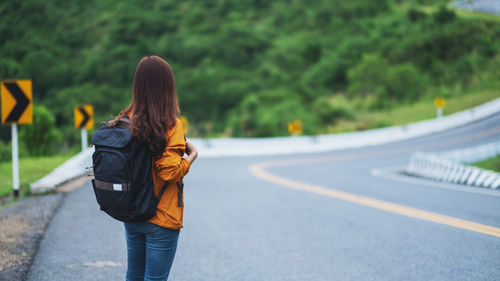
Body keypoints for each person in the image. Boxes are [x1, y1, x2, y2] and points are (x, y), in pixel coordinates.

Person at [112, 55, 198, 281]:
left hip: (132, 213)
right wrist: (191, 156)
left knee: (134, 277)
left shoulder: (124, 120)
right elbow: (170, 172)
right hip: (162, 217)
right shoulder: (170, 124)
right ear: (167, 87)